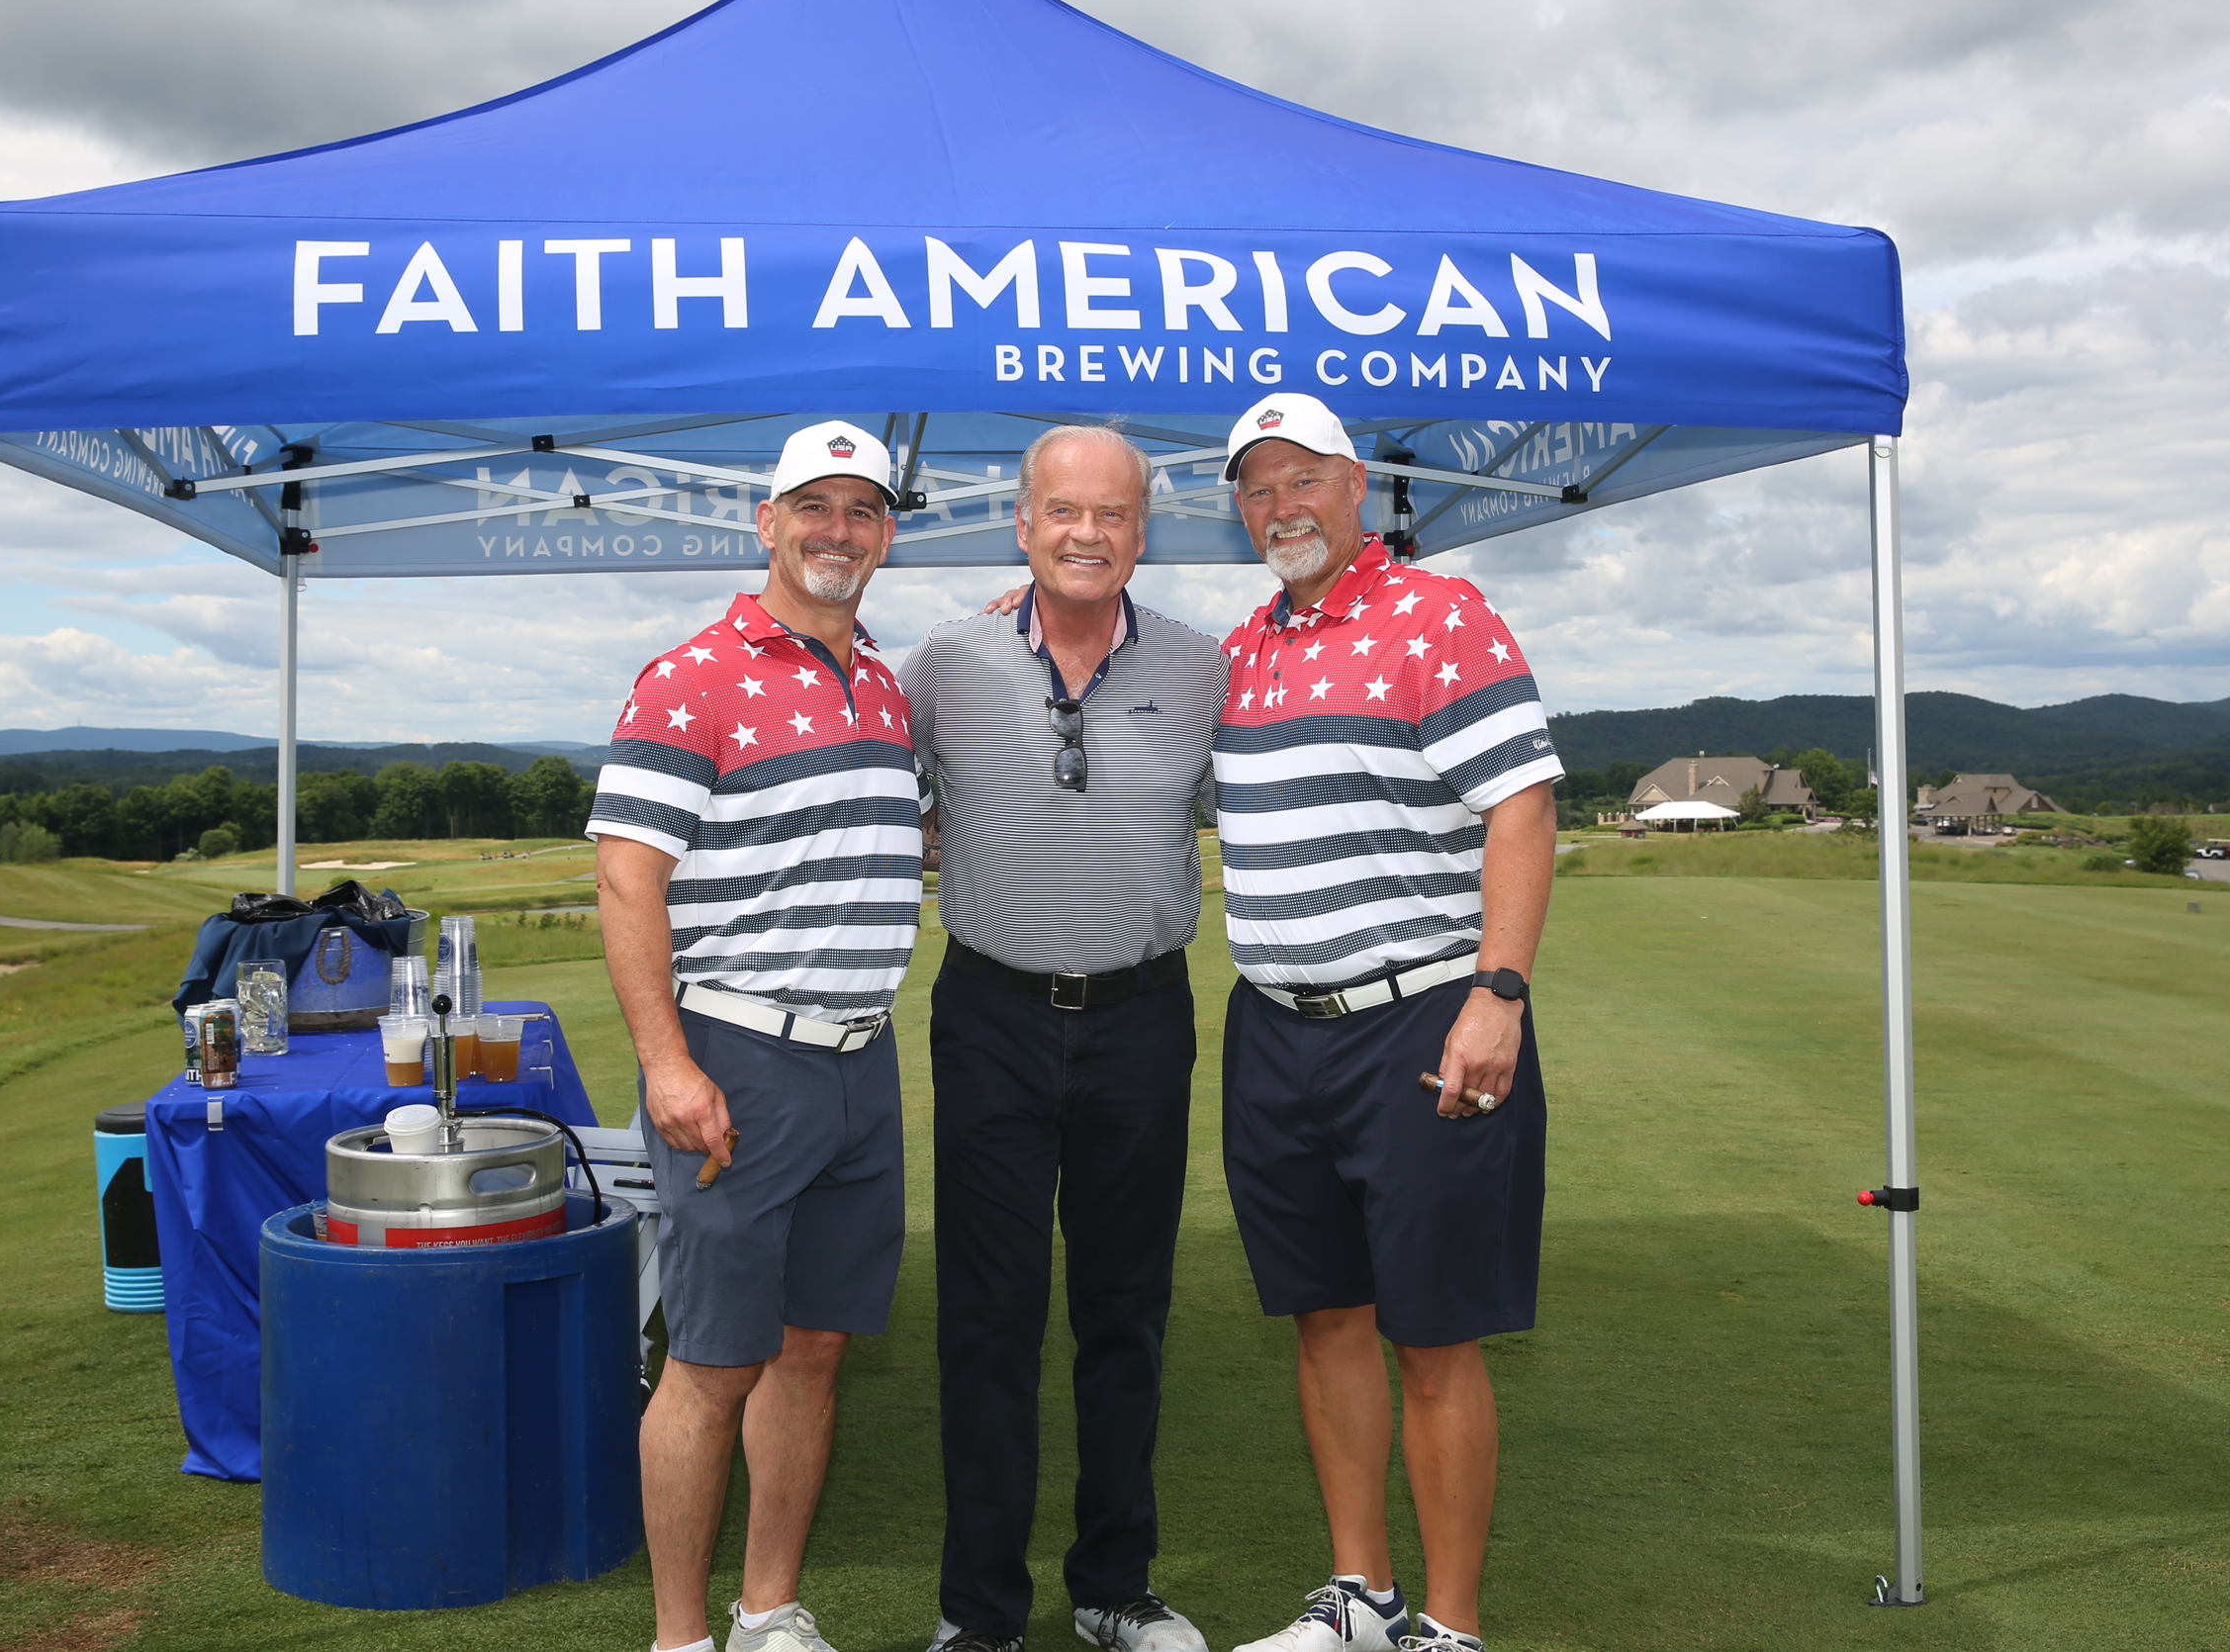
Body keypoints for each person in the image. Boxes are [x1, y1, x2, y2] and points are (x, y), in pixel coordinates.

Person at [1211, 395, 1561, 1652]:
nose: (1279, 505)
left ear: (1355, 484)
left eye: (1300, 477)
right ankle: (1359, 1595)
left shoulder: (1438, 613)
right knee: (1325, 1315)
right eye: (1255, 487)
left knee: (1432, 1334)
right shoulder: (1249, 645)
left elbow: (1520, 808)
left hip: (1419, 1022)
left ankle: (1449, 1625)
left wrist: (1497, 993)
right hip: (1274, 1029)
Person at [588, 420, 925, 1652]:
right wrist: (669, 1061)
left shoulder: (881, 678)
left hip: (859, 1058)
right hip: (738, 1058)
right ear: (767, 521)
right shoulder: (691, 674)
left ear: (888, 532)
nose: (839, 531)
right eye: (815, 508)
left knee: (814, 1349)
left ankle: (770, 1608)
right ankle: (682, 1638)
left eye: (864, 511)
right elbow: (629, 882)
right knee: (713, 1362)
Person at [900, 425, 1229, 1652]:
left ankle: (1112, 1586)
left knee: (1124, 1310)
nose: (1086, 533)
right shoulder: (941, 659)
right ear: (1022, 524)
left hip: (1143, 1019)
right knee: (986, 1317)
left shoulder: (1205, 667)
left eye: (1112, 514)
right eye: (1062, 512)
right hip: (988, 1014)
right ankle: (979, 1611)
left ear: (1143, 531)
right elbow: (855, 762)